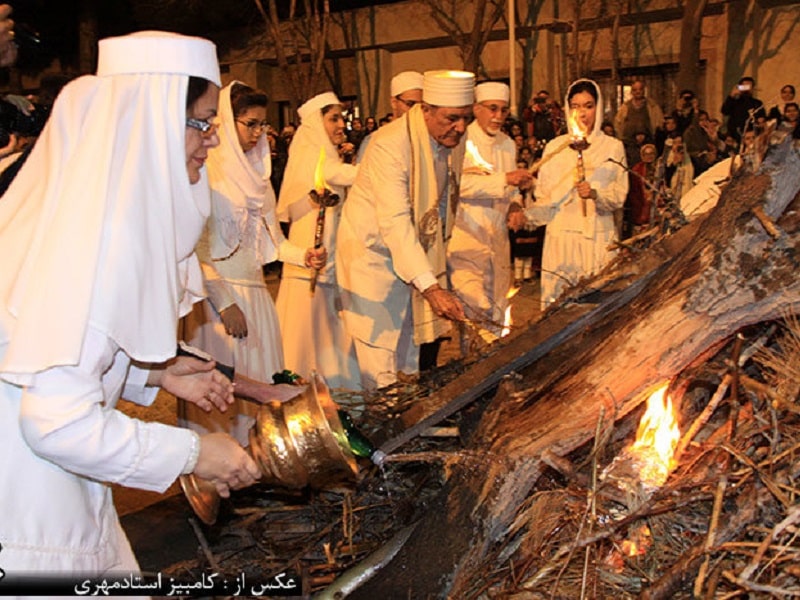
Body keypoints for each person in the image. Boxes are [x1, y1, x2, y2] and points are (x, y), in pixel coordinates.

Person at [0, 31, 261, 576]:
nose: (212, 140)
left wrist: (154, 375)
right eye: (202, 121)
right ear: (154, 121)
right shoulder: (103, 238)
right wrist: (195, 453)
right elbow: (56, 423)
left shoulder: (89, 214)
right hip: (31, 522)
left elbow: (48, 348)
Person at [181, 81, 321, 443]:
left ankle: (261, 470)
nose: (258, 133)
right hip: (218, 304)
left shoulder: (259, 180)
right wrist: (224, 302)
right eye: (251, 124)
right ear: (229, 122)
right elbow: (192, 250)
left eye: (263, 124)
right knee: (226, 392)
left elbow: (274, 243)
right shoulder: (206, 174)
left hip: (258, 300)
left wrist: (304, 256)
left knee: (265, 390)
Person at [337, 70, 474, 390]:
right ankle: (381, 430)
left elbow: (441, 204)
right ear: (425, 109)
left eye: (466, 118)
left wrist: (435, 269)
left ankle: (404, 427)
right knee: (380, 359)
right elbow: (396, 223)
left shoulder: (453, 139)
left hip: (413, 259)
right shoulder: (389, 145)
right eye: (452, 118)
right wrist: (430, 287)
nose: (461, 127)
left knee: (408, 356)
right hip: (372, 260)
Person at [512, 78, 628, 310]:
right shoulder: (556, 147)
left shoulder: (612, 147)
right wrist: (527, 213)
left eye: (588, 106)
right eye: (575, 106)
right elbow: (545, 199)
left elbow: (618, 195)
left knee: (597, 306)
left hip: (596, 236)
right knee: (559, 307)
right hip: (561, 238)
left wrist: (595, 194)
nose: (582, 113)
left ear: (598, 107)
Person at [276, 92, 360, 390]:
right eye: (333, 118)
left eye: (342, 118)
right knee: (303, 343)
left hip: (331, 268)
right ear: (315, 124)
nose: (341, 125)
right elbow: (339, 174)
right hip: (308, 267)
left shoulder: (329, 158)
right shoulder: (313, 158)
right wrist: (380, 168)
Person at [448, 81, 533, 343]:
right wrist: (505, 179)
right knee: (473, 310)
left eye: (504, 111)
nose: (498, 117)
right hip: (467, 238)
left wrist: (516, 203)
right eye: (492, 109)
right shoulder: (460, 140)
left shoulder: (508, 144)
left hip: (498, 240)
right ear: (476, 109)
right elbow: (458, 185)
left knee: (498, 307)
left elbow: (511, 188)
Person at [357, 71, 423, 162]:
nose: (417, 110)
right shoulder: (375, 140)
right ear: (394, 103)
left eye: (422, 106)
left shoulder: (427, 139)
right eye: (410, 104)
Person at [613, 80, 664, 168]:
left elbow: (659, 124)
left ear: (644, 90)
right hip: (630, 146)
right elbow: (618, 124)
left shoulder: (652, 106)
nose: (638, 92)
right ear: (632, 92)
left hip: (648, 144)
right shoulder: (625, 107)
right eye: (635, 90)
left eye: (640, 89)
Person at [721, 76, 764, 141]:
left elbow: (761, 119)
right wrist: (731, 95)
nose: (746, 89)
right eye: (744, 86)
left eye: (749, 86)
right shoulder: (734, 102)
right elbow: (724, 111)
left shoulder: (757, 103)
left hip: (752, 137)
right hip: (735, 135)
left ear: (752, 88)